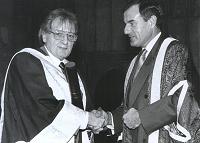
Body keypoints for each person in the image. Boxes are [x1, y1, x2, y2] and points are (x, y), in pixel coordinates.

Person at [98, 0, 200, 143]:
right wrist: (108, 119)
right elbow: (130, 108)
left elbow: (184, 97)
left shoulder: (175, 51)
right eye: (125, 24)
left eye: (132, 23)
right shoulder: (136, 61)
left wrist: (143, 117)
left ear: (151, 21)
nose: (125, 30)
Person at [0, 8, 106, 143]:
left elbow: (84, 109)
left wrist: (95, 120)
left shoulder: (71, 70)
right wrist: (87, 119)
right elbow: (43, 108)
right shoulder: (26, 60)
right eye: (59, 34)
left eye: (71, 36)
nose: (65, 41)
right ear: (44, 35)